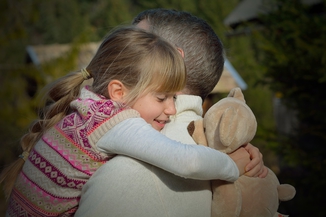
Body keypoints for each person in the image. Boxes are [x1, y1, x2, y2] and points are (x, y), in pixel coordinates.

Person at [1, 26, 250, 217]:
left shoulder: (88, 106)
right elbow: (187, 161)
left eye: (174, 98)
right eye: (162, 97)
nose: (172, 109)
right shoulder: (114, 122)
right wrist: (232, 166)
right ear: (118, 92)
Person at [75, 9, 268, 217]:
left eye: (137, 42)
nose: (120, 53)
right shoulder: (223, 152)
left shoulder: (124, 175)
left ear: (174, 59)